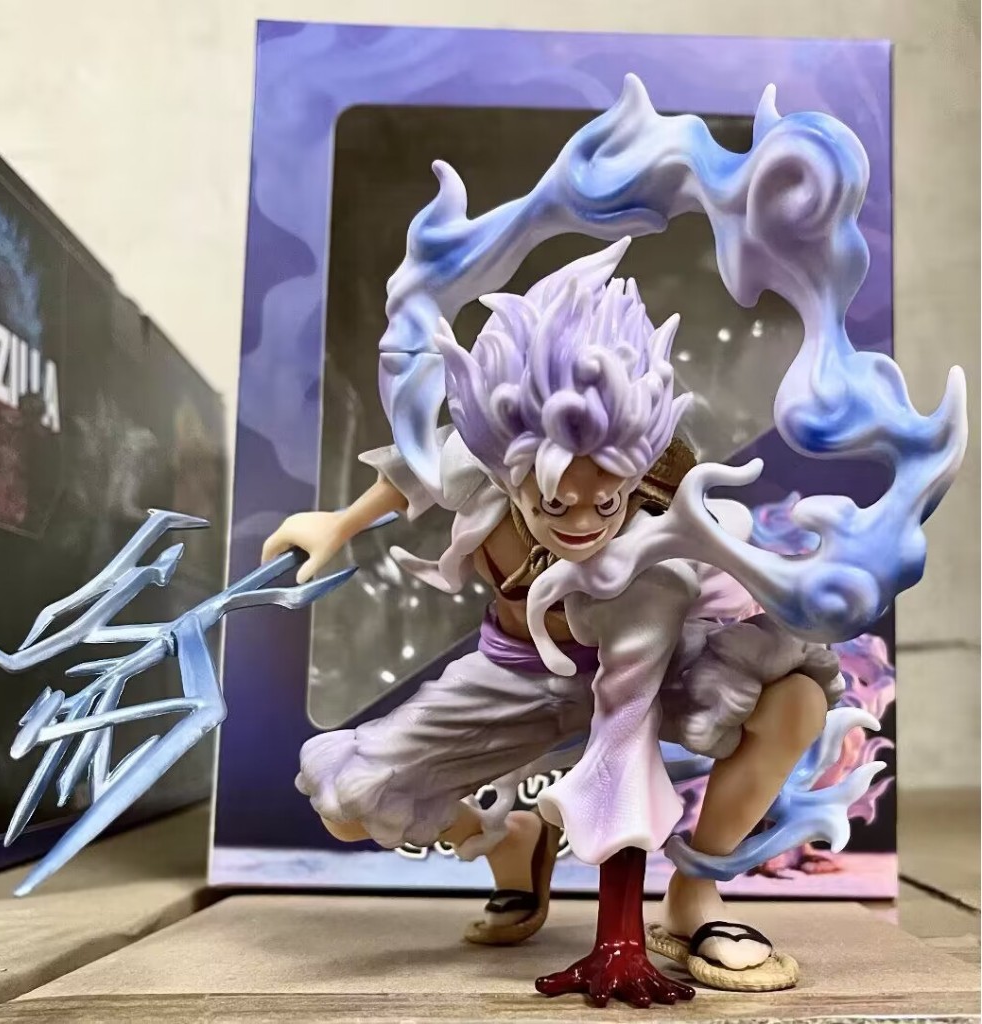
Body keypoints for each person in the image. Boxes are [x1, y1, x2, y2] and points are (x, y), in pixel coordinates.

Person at [264, 243, 841, 995]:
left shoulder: (650, 558)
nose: (583, 523)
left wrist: (620, 940)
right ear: (510, 471)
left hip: (654, 673)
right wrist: (338, 524)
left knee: (795, 698)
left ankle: (695, 895)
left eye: (607, 500)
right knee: (348, 801)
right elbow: (416, 471)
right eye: (556, 504)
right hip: (517, 672)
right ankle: (506, 838)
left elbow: (623, 734)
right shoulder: (491, 457)